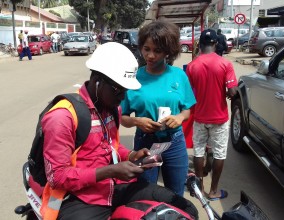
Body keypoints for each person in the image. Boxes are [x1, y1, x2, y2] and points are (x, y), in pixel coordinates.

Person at [40, 42, 198, 220]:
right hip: (81, 197)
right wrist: (111, 171)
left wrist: (132, 155)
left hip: (116, 187)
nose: (123, 97)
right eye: (119, 90)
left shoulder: (112, 108)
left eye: (126, 91)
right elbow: (58, 177)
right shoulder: (63, 118)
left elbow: (110, 147)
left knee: (184, 210)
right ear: (97, 80)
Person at [120, 20, 196, 197]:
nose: (151, 55)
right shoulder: (133, 78)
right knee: (146, 193)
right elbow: (122, 116)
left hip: (174, 142)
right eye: (146, 49)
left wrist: (179, 118)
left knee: (176, 194)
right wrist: (136, 121)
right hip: (145, 144)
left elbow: (187, 109)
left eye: (157, 50)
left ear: (168, 52)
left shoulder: (178, 75)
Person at [186, 29, 238, 201]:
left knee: (199, 151)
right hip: (220, 118)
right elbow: (232, 91)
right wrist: (227, 92)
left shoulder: (193, 65)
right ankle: (213, 191)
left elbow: (188, 93)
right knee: (219, 154)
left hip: (200, 117)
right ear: (216, 43)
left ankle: (199, 187)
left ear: (200, 45)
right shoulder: (225, 64)